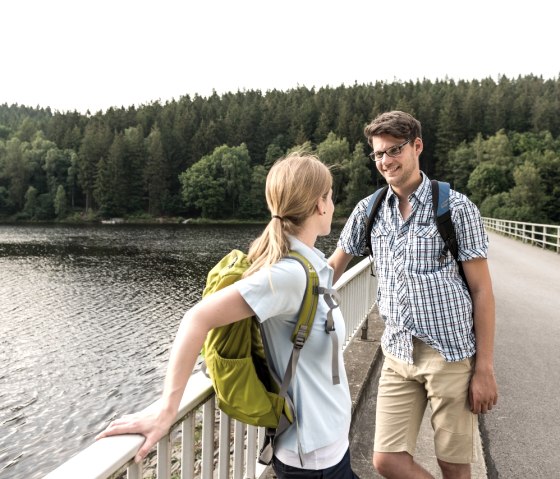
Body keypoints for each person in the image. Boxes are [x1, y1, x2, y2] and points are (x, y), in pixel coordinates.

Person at [97, 152, 360, 479]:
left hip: (330, 445)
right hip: (313, 459)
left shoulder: (308, 265)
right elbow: (196, 319)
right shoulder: (288, 275)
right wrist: (167, 410)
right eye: (331, 195)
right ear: (320, 204)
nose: (333, 205)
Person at [328, 111, 498, 479]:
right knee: (386, 460)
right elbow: (331, 270)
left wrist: (484, 369)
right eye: (378, 154)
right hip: (397, 353)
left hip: (450, 355)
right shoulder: (369, 210)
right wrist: (276, 286)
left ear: (417, 146)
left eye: (394, 150)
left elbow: (483, 291)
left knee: (454, 465)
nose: (386, 160)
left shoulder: (456, 208)